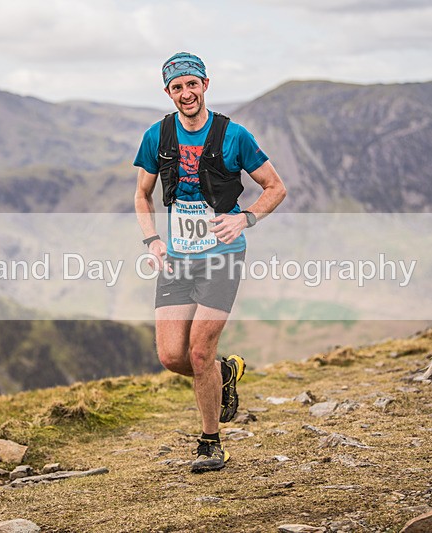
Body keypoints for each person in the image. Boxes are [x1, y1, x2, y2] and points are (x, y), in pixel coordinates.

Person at [133, 52, 286, 473]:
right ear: (169, 92)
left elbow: (275, 186)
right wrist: (152, 240)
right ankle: (225, 373)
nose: (186, 93)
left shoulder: (234, 135)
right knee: (171, 356)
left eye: (192, 84)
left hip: (221, 256)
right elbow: (141, 195)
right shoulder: (157, 136)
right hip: (176, 258)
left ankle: (211, 443)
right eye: (177, 87)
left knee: (199, 352)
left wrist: (246, 218)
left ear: (205, 85)